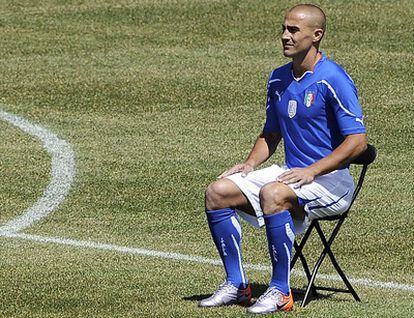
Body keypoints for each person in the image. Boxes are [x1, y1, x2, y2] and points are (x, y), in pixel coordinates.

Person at [197, 3, 367, 315]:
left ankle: (280, 291)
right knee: (217, 191)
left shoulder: (334, 78)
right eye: (284, 29)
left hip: (332, 183)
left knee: (273, 194)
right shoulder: (278, 79)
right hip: (292, 174)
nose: (285, 36)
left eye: (293, 30)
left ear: (316, 35)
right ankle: (237, 285)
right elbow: (270, 134)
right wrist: (249, 164)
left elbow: (357, 143)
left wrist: (312, 171)